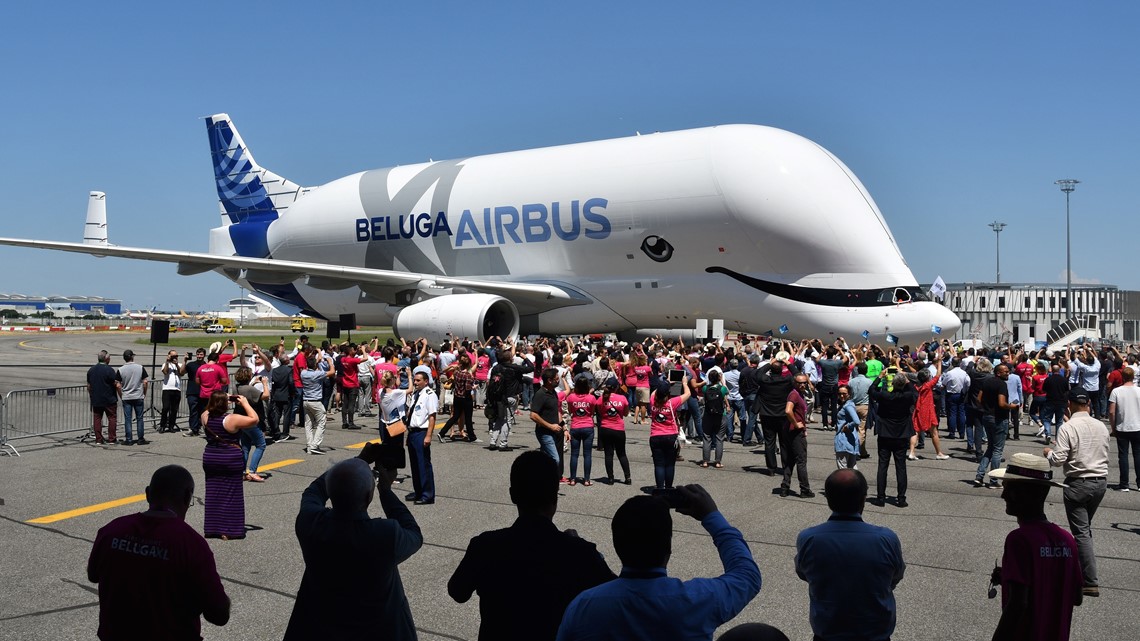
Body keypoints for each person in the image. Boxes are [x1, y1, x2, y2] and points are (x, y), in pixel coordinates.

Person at [556, 486, 761, 641]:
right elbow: (747, 575)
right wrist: (711, 517)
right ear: (668, 548)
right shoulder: (696, 600)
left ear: (617, 545)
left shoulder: (585, 605)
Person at [449, 451, 615, 641]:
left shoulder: (485, 546)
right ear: (555, 498)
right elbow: (616, 594)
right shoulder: (579, 553)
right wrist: (586, 549)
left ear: (512, 495)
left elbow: (457, 592)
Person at [283, 449, 423, 640]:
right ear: (367, 498)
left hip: (318, 628)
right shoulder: (384, 535)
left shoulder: (311, 523)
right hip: (379, 630)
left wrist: (359, 459)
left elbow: (313, 491)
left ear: (330, 492)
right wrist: (386, 491)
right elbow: (414, 534)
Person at [87, 465, 230, 640]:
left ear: (148, 494)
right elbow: (219, 614)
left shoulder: (111, 530)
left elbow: (93, 575)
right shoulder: (191, 543)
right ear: (186, 497)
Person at [795, 469, 905, 641]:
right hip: (875, 632)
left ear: (828, 500)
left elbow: (803, 573)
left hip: (829, 630)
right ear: (863, 500)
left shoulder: (809, 538)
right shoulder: (886, 539)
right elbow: (896, 576)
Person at [988, 453, 1083, 641]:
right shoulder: (1067, 540)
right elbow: (1076, 597)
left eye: (1010, 489)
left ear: (1029, 494)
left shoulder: (1019, 540)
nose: (1003, 495)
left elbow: (1018, 604)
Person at [1045, 389, 1110, 597]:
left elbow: (1058, 459)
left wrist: (1049, 453)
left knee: (1081, 533)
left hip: (1078, 483)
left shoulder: (1068, 427)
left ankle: (1089, 580)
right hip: (1100, 482)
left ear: (1069, 405)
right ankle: (1081, 571)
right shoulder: (1101, 426)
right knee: (1085, 530)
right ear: (1088, 404)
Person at [200, 390, 261, 540]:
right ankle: (228, 530)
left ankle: (212, 528)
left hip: (211, 457)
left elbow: (209, 409)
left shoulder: (205, 416)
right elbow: (254, 419)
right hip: (229, 458)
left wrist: (218, 398)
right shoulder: (231, 419)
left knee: (213, 493)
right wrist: (245, 403)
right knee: (231, 494)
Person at [869, 371, 917, 508]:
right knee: (900, 467)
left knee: (882, 466)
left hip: (885, 434)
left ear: (893, 384)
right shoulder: (908, 396)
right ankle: (901, 498)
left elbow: (871, 391)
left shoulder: (885, 396)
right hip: (901, 435)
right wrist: (906, 380)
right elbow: (914, 392)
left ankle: (880, 497)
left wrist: (879, 378)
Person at [975, 364, 1020, 488]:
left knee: (990, 447)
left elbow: (978, 399)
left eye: (1008, 371)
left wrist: (985, 408)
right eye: (1005, 371)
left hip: (987, 417)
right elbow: (1001, 403)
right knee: (997, 450)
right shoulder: (1001, 385)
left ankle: (979, 475)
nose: (1008, 373)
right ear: (998, 373)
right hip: (999, 419)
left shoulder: (987, 382)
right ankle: (994, 480)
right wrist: (1013, 406)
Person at [648, 375, 691, 490]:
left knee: (659, 465)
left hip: (655, 435)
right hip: (670, 435)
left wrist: (665, 383)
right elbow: (687, 394)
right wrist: (685, 383)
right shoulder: (672, 403)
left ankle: (659, 488)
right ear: (668, 394)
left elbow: (653, 393)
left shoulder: (653, 401)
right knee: (670, 464)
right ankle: (668, 488)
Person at [405, 370, 438, 505]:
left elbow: (432, 417)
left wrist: (428, 435)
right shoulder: (416, 394)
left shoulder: (430, 395)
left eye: (419, 380)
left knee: (423, 464)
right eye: (415, 380)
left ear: (426, 381)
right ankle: (418, 491)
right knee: (414, 464)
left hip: (422, 432)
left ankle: (427, 495)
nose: (416, 383)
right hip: (413, 432)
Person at [779, 374, 814, 498]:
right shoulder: (794, 394)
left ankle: (785, 486)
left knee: (790, 460)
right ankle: (804, 489)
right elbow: (788, 410)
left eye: (804, 382)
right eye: (800, 383)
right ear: (795, 383)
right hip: (794, 432)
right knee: (801, 461)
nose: (802, 385)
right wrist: (796, 424)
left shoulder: (799, 394)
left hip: (790, 431)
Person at [531, 368, 568, 481]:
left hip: (556, 431)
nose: (558, 381)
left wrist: (564, 427)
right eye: (556, 379)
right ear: (549, 380)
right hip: (545, 433)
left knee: (546, 459)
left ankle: (542, 481)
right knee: (554, 459)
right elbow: (533, 415)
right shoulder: (540, 394)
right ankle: (548, 481)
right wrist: (550, 426)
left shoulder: (553, 393)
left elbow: (556, 411)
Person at [233, 366, 269, 482]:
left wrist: (253, 384)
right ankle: (253, 471)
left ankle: (242, 471)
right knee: (261, 445)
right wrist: (264, 383)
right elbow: (265, 396)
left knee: (245, 446)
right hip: (251, 419)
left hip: (241, 419)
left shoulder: (236, 388)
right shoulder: (250, 389)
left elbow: (249, 394)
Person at [1107, 366, 1140, 491]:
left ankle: (1124, 483)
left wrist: (1113, 427)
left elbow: (1111, 412)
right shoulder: (1139, 390)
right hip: (1137, 426)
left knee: (1123, 455)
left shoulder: (1117, 391)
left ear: (1122, 377)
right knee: (1138, 455)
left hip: (1122, 427)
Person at [566, 374, 599, 485]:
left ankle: (573, 479)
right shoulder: (591, 398)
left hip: (575, 426)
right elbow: (592, 411)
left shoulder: (571, 397)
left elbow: (570, 410)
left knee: (574, 454)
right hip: (588, 426)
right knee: (587, 454)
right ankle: (586, 479)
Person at [598, 377, 632, 484]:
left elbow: (600, 412)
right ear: (617, 387)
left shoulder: (601, 399)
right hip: (618, 429)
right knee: (622, 454)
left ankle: (610, 478)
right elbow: (626, 414)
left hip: (605, 428)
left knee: (608, 454)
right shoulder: (622, 398)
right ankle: (627, 477)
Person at [87, 350, 120, 445]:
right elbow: (115, 383)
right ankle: (112, 439)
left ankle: (98, 439)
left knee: (97, 418)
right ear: (107, 359)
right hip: (109, 399)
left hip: (96, 398)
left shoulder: (91, 370)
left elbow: (89, 386)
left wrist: (91, 395)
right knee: (112, 418)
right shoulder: (109, 370)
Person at [117, 349, 149, 446]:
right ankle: (140, 438)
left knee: (128, 419)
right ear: (132, 357)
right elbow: (145, 382)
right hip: (138, 396)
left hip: (127, 396)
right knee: (139, 418)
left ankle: (129, 439)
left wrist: (121, 395)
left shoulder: (120, 369)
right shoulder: (140, 367)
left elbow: (118, 385)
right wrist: (144, 393)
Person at [700, 369, 729, 469]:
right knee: (719, 438)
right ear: (718, 378)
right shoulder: (722, 389)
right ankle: (717, 462)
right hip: (720, 415)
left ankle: (705, 461)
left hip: (708, 415)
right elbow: (726, 392)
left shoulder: (705, 388)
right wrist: (721, 381)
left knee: (706, 437)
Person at [833, 385, 860, 469]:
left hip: (843, 440)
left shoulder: (847, 406)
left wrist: (847, 426)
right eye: (839, 393)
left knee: (843, 469)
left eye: (844, 393)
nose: (841, 396)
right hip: (851, 440)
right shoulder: (849, 404)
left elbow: (856, 421)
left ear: (849, 394)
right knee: (852, 467)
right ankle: (857, 482)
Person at [159, 349, 184, 433]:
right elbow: (165, 372)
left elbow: (181, 373)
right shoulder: (165, 364)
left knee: (174, 409)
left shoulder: (179, 364)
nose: (175, 357)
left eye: (176, 356)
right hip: (167, 389)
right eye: (173, 356)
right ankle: (162, 425)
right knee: (165, 408)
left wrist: (176, 364)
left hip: (176, 389)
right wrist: (167, 362)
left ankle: (171, 426)